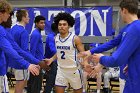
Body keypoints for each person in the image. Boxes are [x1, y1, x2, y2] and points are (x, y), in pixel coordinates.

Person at [79, 3, 140, 93]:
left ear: (124, 10)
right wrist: (90, 51)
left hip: (135, 80)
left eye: (120, 11)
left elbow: (116, 60)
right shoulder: (128, 28)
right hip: (129, 74)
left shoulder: (135, 28)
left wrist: (101, 59)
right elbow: (113, 42)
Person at [0, 0, 40, 92]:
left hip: (11, 63)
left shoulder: (12, 29)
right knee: (20, 86)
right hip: (19, 63)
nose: (9, 15)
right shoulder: (22, 31)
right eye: (8, 13)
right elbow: (14, 49)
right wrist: (31, 63)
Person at [45, 12, 87, 93]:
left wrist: (85, 63)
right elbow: (58, 53)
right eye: (60, 24)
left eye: (64, 24)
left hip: (74, 70)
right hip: (61, 71)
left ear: (69, 26)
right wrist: (51, 59)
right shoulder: (55, 38)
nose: (62, 26)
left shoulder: (75, 38)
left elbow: (84, 53)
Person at [27, 15, 45, 93]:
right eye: (41, 23)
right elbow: (32, 50)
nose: (43, 24)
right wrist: (35, 64)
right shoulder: (35, 34)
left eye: (44, 23)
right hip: (36, 63)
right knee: (35, 86)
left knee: (35, 85)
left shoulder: (38, 33)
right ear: (36, 23)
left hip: (38, 62)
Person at [43, 23, 58, 93]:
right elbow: (53, 50)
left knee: (57, 81)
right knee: (50, 81)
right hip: (51, 62)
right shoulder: (51, 36)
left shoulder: (58, 36)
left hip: (56, 61)